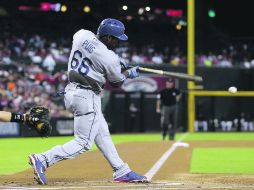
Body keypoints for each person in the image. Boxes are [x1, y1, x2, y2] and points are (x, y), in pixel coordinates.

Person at [28, 18, 148, 185]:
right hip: (87, 96)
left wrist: (116, 62)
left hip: (71, 91)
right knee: (83, 143)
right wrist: (128, 72)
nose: (117, 42)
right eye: (115, 39)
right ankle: (43, 159)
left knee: (102, 132)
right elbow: (116, 81)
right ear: (107, 37)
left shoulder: (82, 34)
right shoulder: (110, 57)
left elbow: (93, 54)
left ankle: (121, 170)